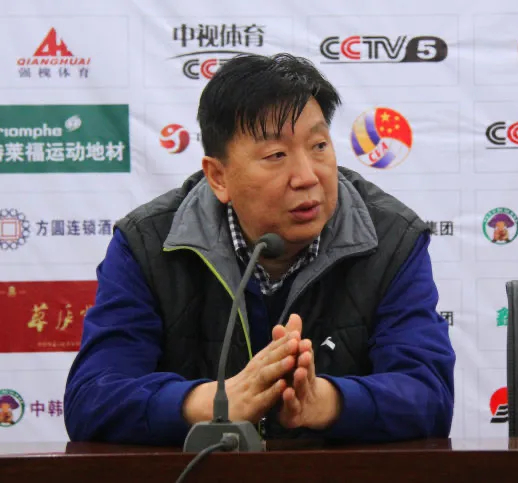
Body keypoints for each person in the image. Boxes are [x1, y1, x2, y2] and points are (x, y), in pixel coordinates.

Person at [64, 53, 455, 446]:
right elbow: (92, 398)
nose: (307, 176)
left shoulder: (391, 239)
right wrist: (214, 403)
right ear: (219, 177)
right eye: (276, 156)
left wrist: (325, 401)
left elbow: (429, 394)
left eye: (319, 145)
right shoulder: (148, 244)